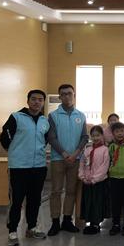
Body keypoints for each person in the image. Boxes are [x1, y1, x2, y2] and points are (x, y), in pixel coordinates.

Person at [1, 89, 50, 246]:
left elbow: (45, 140)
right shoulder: (16, 117)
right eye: (33, 99)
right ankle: (12, 231)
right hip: (19, 167)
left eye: (40, 100)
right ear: (28, 101)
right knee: (16, 200)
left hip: (39, 166)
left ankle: (32, 228)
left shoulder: (44, 121)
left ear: (43, 102)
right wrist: (16, 153)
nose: (37, 102)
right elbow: (5, 139)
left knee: (35, 199)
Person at [47, 84, 89, 236]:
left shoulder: (81, 115)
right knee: (56, 191)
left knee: (71, 191)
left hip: (76, 159)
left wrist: (75, 153)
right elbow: (51, 137)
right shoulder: (53, 116)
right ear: (59, 97)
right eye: (63, 94)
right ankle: (55, 222)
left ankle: (66, 220)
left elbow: (84, 137)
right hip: (58, 159)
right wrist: (65, 154)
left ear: (74, 95)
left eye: (69, 93)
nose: (67, 96)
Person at [78, 125, 110, 235]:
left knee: (97, 202)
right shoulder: (87, 150)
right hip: (87, 182)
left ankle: (96, 223)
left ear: (102, 136)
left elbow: (104, 167)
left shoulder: (105, 150)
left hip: (99, 182)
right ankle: (90, 223)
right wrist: (82, 176)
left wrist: (94, 179)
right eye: (93, 135)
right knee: (88, 202)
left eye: (98, 135)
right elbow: (82, 164)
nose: (95, 138)